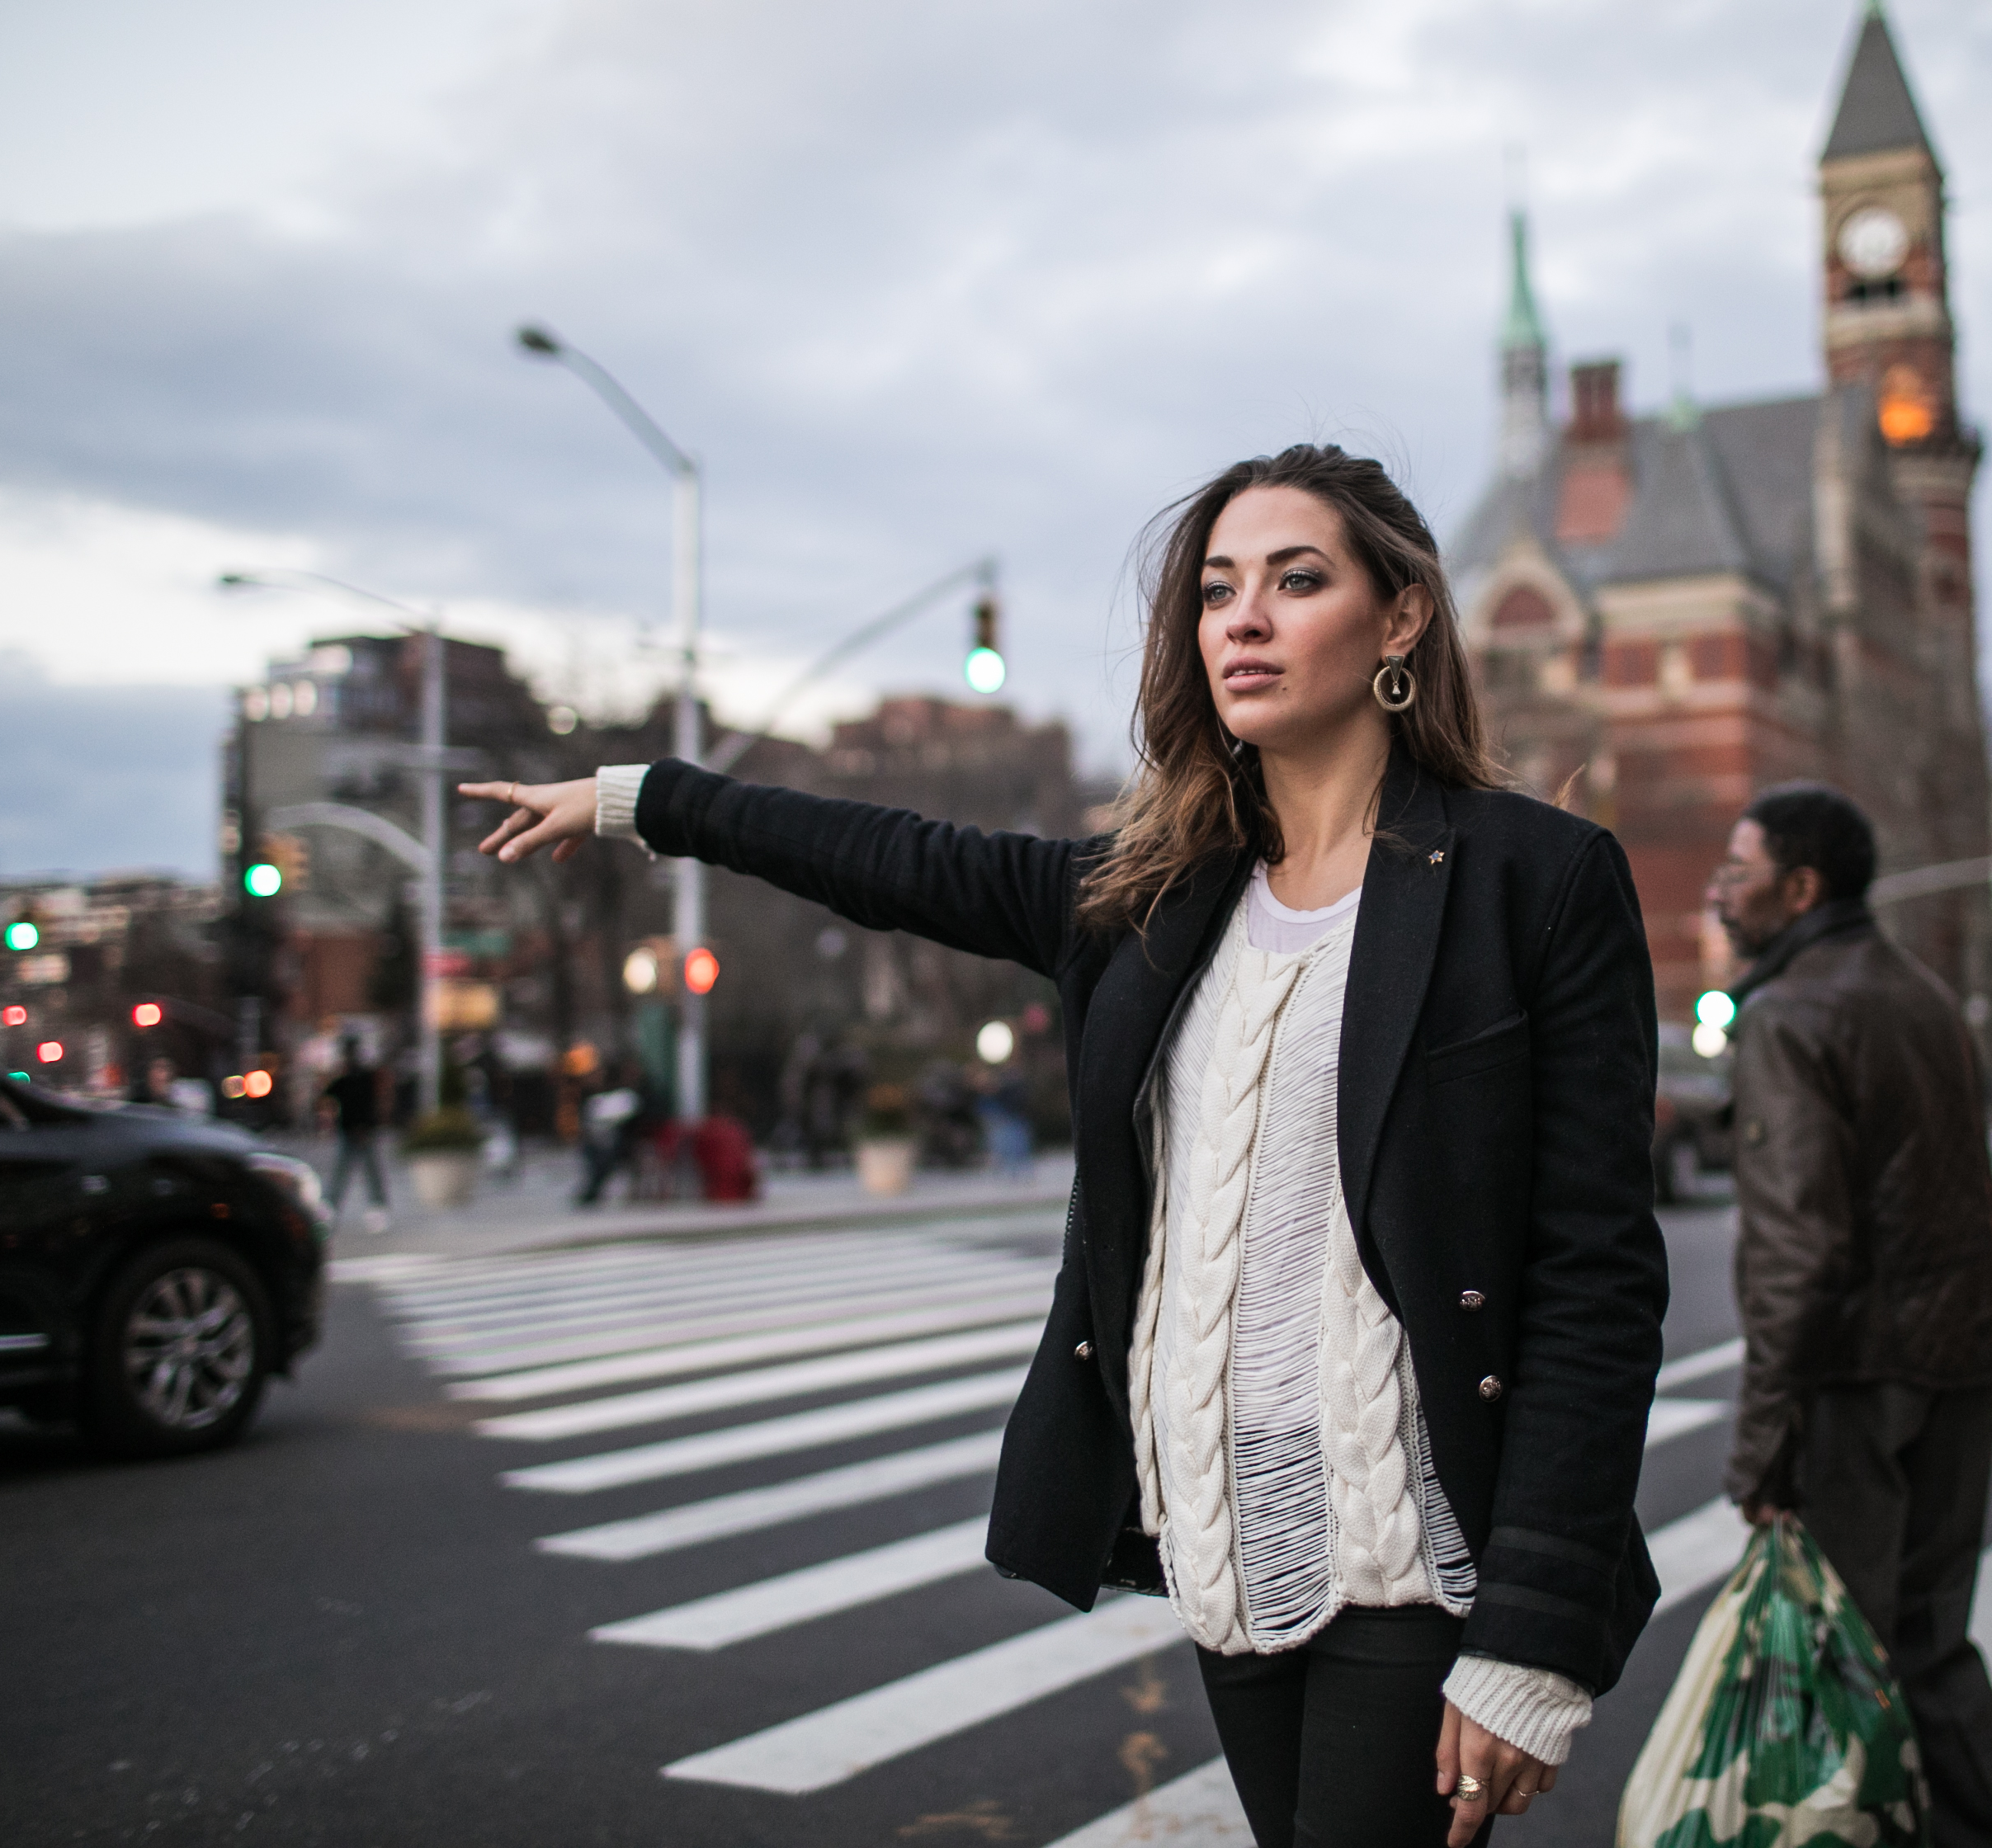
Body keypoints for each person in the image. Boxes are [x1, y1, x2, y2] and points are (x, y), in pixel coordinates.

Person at [463, 444, 1669, 1847]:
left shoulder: (1534, 883)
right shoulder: (1151, 896)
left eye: (1296, 580)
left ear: (1399, 619)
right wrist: (642, 800)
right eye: (1218, 590)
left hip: (1414, 1545)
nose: (1244, 620)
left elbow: (1595, 1275)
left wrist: (1531, 1635)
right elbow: (897, 858)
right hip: (1223, 1534)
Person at [1708, 783, 1992, 1848]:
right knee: (1928, 1650)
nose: (1723, 887)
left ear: (1800, 886)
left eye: (1741, 866)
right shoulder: (1922, 992)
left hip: (1861, 1380)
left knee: (1855, 1657)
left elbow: (1799, 1250)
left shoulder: (1790, 1014)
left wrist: (1765, 1440)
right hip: (1961, 1357)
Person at [322, 1038, 389, 1227]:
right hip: (350, 1129)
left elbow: (370, 1102)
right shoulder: (344, 1078)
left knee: (369, 1171)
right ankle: (332, 1207)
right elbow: (328, 1093)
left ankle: (377, 1207)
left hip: (363, 1130)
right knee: (344, 1171)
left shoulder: (363, 1077)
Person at [576, 1059, 644, 1207]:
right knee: (593, 1150)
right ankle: (594, 1187)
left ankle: (594, 1189)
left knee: (606, 1153)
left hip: (628, 1140)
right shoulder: (591, 1094)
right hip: (602, 1138)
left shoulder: (636, 1092)